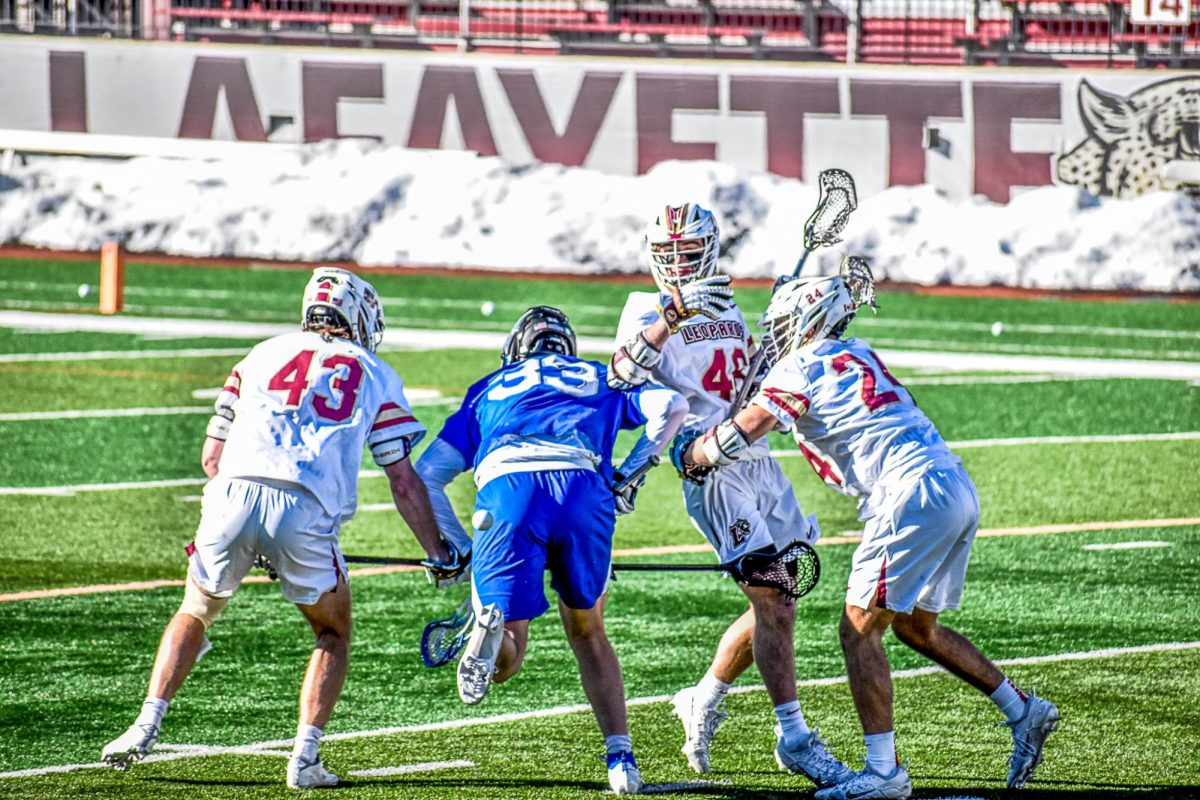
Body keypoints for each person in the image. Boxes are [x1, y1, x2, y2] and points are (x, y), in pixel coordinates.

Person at [673, 257, 1060, 799]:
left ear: (805, 317)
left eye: (782, 320)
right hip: (952, 484)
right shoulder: (857, 352)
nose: (775, 330)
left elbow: (738, 435)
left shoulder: (800, 365)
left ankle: (884, 773)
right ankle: (1023, 710)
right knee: (913, 628)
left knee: (858, 629)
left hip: (908, 495)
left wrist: (692, 453)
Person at [101, 267, 467, 789]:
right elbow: (404, 481)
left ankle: (144, 724)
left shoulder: (259, 354)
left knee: (197, 609)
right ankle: (305, 757)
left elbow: (212, 457)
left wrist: (254, 531)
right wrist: (438, 551)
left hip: (230, 494)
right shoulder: (374, 371)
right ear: (358, 315)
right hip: (306, 510)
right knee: (332, 629)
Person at [609, 202, 849, 788]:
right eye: (666, 255)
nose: (677, 264)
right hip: (708, 462)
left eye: (687, 254)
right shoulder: (645, 308)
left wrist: (778, 339)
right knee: (773, 600)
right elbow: (619, 375)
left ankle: (705, 695)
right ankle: (794, 736)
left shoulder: (730, 303)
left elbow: (748, 384)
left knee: (785, 593)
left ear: (710, 250)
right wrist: (671, 314)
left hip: (756, 458)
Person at [416, 306, 687, 796]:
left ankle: (489, 629)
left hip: (509, 490)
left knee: (509, 657)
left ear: (515, 350)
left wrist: (455, 548)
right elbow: (672, 408)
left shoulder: (488, 388)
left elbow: (428, 475)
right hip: (583, 489)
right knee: (588, 633)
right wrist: (629, 472)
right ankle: (621, 760)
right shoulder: (602, 376)